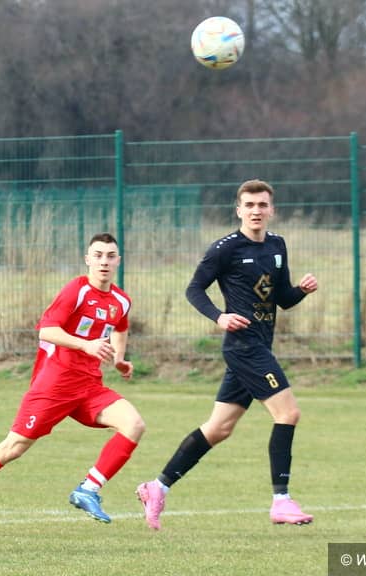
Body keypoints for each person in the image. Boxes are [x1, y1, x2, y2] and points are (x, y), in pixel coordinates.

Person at [136, 179, 318, 530]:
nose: (256, 211)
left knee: (219, 428)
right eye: (249, 205)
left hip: (259, 346)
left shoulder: (277, 245)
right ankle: (281, 500)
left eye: (262, 205)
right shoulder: (225, 249)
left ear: (271, 210)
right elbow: (194, 289)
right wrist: (219, 317)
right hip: (243, 347)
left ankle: (157, 487)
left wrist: (302, 290)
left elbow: (282, 299)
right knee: (288, 413)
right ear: (238, 210)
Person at [0, 233, 145, 525]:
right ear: (87, 259)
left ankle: (88, 489)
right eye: (98, 255)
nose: (104, 262)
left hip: (89, 387)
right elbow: (47, 330)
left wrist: (119, 359)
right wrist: (85, 345)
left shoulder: (121, 300)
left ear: (118, 261)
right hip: (55, 384)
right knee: (14, 447)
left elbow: (120, 326)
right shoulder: (76, 291)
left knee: (134, 424)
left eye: (110, 256)